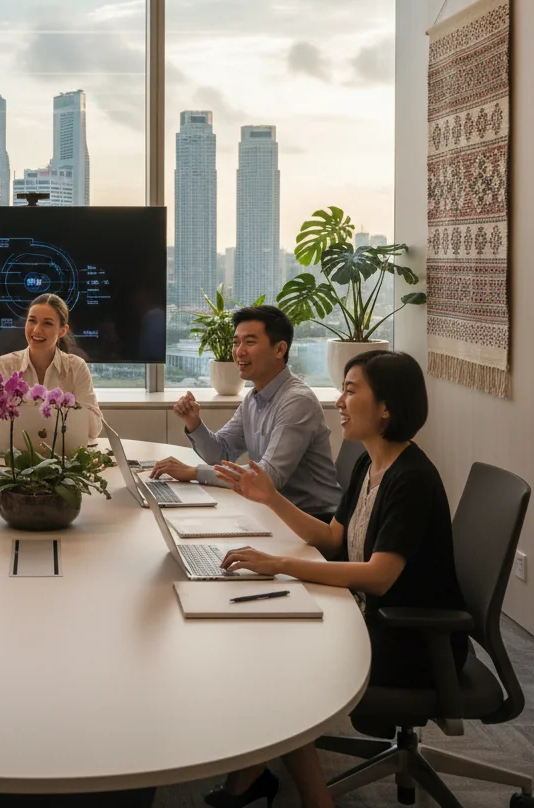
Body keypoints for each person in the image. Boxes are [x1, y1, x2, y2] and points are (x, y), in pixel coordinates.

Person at [204, 350, 466, 808]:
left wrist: (280, 564)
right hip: (369, 616)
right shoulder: (369, 464)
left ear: (386, 407)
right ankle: (250, 775)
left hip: (414, 641)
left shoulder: (412, 479)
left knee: (284, 666)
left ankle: (311, 798)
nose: (338, 402)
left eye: (350, 390)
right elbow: (332, 537)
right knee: (264, 642)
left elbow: (379, 577)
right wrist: (270, 498)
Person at [151, 305, 340, 521]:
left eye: (249, 342)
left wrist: (194, 472)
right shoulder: (253, 398)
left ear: (279, 350)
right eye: (236, 342)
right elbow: (220, 454)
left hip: (313, 517)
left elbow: (268, 477)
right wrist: (194, 422)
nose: (239, 351)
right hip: (270, 511)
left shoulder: (297, 401)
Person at [0, 294, 103, 442]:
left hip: (63, 452)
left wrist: (59, 405)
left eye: (47, 323)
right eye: (32, 321)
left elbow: (94, 429)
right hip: (14, 452)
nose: (36, 330)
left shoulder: (76, 367)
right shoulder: (5, 365)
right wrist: (10, 400)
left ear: (63, 331)